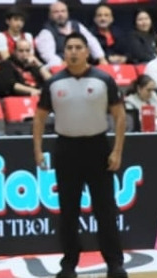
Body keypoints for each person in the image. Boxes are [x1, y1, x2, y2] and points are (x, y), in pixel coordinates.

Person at [32, 33, 128, 278]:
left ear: (87, 51)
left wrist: (117, 150)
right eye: (69, 48)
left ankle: (114, 264)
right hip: (66, 150)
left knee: (105, 210)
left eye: (78, 47)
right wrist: (37, 149)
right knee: (68, 211)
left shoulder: (104, 79)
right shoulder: (53, 83)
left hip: (98, 148)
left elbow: (119, 116)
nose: (73, 51)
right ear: (64, 53)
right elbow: (40, 118)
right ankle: (69, 264)